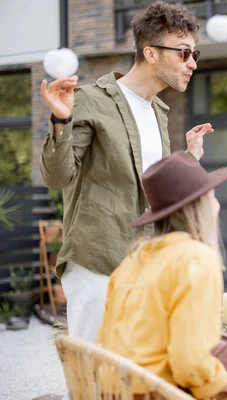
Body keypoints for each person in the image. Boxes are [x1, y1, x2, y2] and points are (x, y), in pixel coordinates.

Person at [39, 1, 212, 342]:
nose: (192, 63)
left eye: (195, 54)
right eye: (184, 53)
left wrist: (189, 159)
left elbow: (154, 191)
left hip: (145, 266)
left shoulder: (158, 112)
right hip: (97, 264)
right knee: (94, 380)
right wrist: (61, 121)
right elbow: (56, 179)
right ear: (151, 52)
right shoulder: (89, 99)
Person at [96, 152, 227, 400]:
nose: (218, 205)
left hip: (113, 392)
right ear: (201, 204)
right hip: (159, 394)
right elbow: (189, 363)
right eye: (213, 196)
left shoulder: (133, 260)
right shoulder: (195, 259)